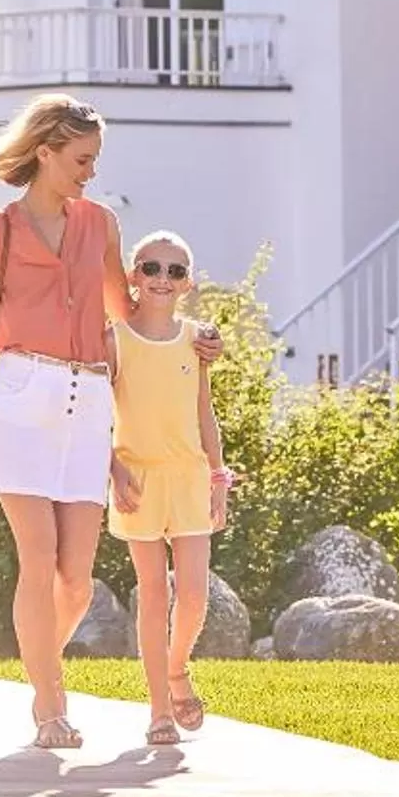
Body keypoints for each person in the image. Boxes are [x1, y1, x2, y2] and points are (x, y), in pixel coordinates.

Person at [0, 95, 133, 751]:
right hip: (19, 398)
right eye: (82, 159)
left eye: (94, 160)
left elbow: (126, 312)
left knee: (76, 580)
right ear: (45, 152)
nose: (91, 172)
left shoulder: (101, 225)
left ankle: (38, 673)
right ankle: (51, 706)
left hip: (88, 400)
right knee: (38, 558)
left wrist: (186, 327)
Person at [108, 230, 231, 747]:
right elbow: (95, 415)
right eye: (151, 268)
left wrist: (219, 477)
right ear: (133, 277)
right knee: (154, 593)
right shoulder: (114, 339)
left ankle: (178, 668)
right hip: (138, 478)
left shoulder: (196, 341)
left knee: (196, 596)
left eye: (174, 271)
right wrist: (113, 470)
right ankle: (159, 710)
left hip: (189, 477)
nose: (162, 278)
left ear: (188, 284)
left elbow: (205, 413)